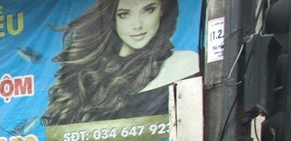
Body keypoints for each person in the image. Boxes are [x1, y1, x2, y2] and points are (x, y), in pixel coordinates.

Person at [44, 0, 199, 126]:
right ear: (112, 18)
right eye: (124, 14)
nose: (137, 25)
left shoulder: (182, 64)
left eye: (148, 9)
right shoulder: (88, 70)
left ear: (162, 11)